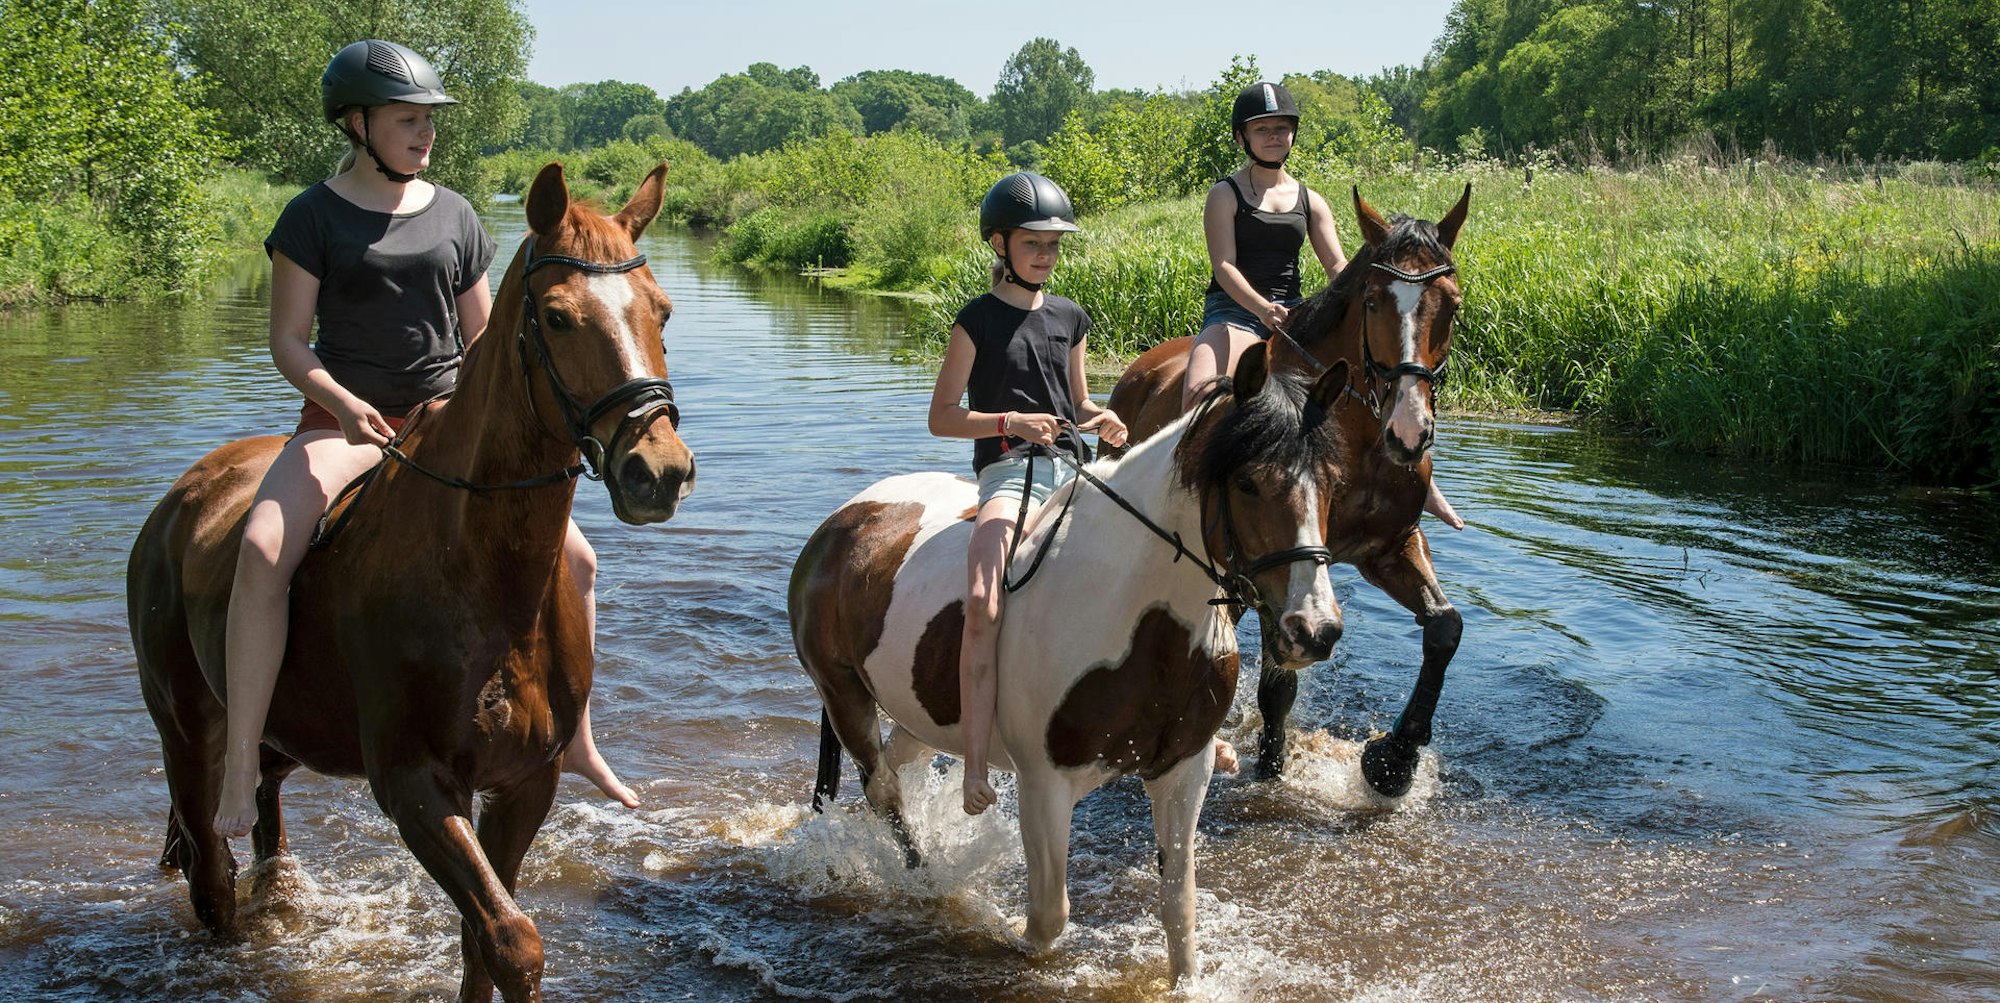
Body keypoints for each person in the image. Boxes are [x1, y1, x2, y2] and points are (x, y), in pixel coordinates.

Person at [214, 39, 637, 839]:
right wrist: (340, 403)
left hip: (447, 421)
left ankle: (574, 738)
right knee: (264, 549)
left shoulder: (456, 215)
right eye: (407, 120)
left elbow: (484, 341)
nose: (424, 133)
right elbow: (287, 342)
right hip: (346, 422)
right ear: (356, 123)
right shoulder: (311, 216)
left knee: (580, 558)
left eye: (428, 120)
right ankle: (242, 762)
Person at [927, 172, 1128, 816]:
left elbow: (1080, 402)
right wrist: (1009, 423)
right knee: (984, 603)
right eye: (1033, 242)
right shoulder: (976, 321)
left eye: (1053, 244)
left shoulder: (1070, 318)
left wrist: (1104, 420)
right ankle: (977, 767)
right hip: (1009, 473)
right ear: (999, 243)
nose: (1045, 254)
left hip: (1073, 472)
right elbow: (942, 417)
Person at [1185, 81, 1463, 531]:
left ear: (1292, 134)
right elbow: (1224, 266)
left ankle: (1416, 479)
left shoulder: (1309, 199)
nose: (1273, 137)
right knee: (1197, 399)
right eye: (1262, 130)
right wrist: (1260, 308)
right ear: (1243, 137)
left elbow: (1337, 265)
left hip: (1296, 317)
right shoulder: (1226, 194)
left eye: (1281, 128)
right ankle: (1196, 501)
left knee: (1373, 378)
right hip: (1234, 314)